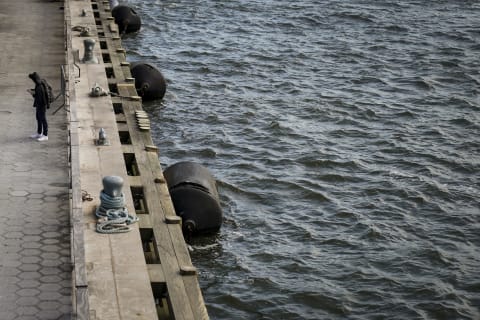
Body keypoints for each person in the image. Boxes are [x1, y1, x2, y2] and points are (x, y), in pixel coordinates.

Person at [28, 72, 48, 141]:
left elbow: (38, 98)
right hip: (39, 105)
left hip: (41, 106)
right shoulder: (38, 84)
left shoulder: (39, 86)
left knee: (43, 119)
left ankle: (45, 135)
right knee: (38, 119)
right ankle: (39, 133)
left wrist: (32, 93)